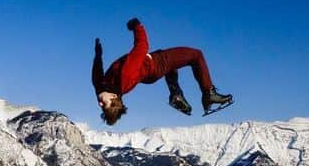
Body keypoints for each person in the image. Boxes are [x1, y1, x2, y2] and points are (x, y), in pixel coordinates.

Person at [92, 18, 233, 126]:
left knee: (173, 64)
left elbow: (97, 72)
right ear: (113, 97)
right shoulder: (125, 75)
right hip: (156, 65)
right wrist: (137, 26)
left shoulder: (101, 87)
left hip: (148, 73)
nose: (99, 104)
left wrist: (98, 54)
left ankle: (176, 95)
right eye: (105, 104)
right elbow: (142, 46)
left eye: (101, 107)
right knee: (196, 55)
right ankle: (209, 94)